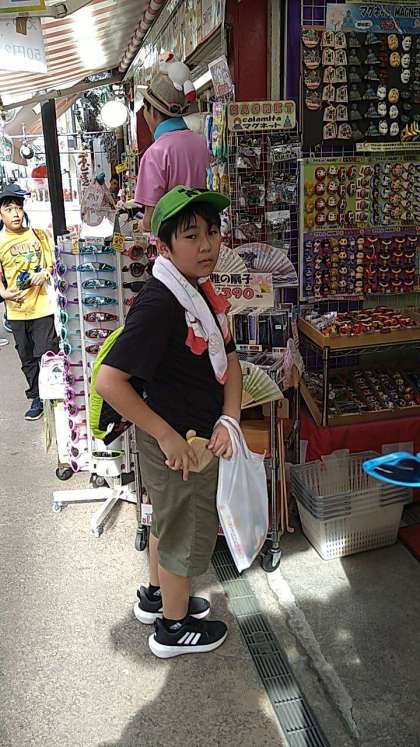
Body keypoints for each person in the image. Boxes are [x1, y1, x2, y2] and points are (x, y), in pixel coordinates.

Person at [96, 186, 243, 658]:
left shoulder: (197, 291)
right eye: (191, 236)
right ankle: (174, 629)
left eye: (212, 232)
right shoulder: (162, 303)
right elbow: (108, 382)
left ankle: (159, 596)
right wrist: (166, 436)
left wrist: (229, 419)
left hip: (189, 434)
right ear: (164, 246)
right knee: (186, 531)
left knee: (167, 520)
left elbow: (230, 361)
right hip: (180, 442)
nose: (207, 245)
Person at [0, 183, 59, 420]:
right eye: (9, 209)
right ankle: (37, 397)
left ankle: (53, 393)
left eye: (18, 208)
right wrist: (4, 293)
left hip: (43, 305)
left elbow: (51, 264)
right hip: (16, 310)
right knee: (27, 357)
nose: (15, 213)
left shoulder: (39, 235)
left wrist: (44, 273)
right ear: (1, 214)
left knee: (46, 352)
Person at [135, 68, 209, 232]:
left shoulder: (155, 153)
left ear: (153, 112)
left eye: (145, 109)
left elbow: (151, 220)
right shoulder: (201, 142)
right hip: (202, 233)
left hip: (174, 240)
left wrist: (140, 225)